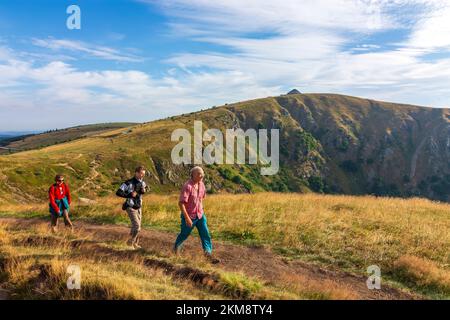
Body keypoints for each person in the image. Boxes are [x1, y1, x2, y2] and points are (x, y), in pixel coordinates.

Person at [174, 166, 220, 264]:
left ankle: (208, 254)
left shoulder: (202, 184)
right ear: (193, 175)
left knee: (205, 234)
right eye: (199, 173)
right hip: (189, 216)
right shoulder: (187, 186)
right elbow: (181, 203)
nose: (202, 175)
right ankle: (176, 252)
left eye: (202, 173)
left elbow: (202, 198)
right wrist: (187, 218)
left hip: (200, 215)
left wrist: (200, 208)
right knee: (184, 235)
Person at [116, 166, 147, 249]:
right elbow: (118, 192)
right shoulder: (128, 183)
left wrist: (144, 190)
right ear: (136, 173)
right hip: (130, 206)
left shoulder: (142, 183)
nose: (142, 176)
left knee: (136, 227)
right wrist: (129, 195)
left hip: (139, 206)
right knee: (137, 227)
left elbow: (146, 188)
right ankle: (130, 243)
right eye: (141, 174)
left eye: (143, 174)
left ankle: (135, 244)